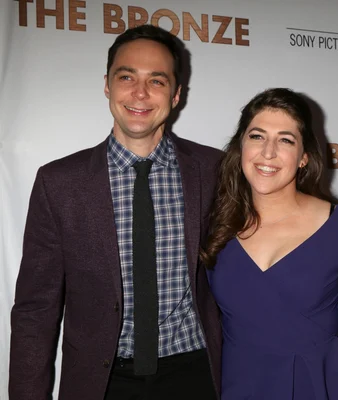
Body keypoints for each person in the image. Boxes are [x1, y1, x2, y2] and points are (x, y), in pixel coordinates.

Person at [10, 25, 222, 400]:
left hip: (196, 374)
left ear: (176, 95)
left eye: (156, 81)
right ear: (107, 85)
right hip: (101, 383)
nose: (140, 93)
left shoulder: (215, 169)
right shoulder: (59, 183)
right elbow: (35, 310)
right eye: (126, 77)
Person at [201, 88, 338, 399]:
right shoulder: (213, 224)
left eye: (285, 140)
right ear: (241, 147)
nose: (268, 152)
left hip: (319, 386)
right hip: (238, 385)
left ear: (304, 157)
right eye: (257, 136)